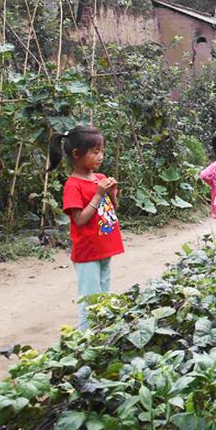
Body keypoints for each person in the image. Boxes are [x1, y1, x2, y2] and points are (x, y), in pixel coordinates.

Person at [50, 125, 124, 331]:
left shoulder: (100, 179)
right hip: (87, 252)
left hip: (105, 248)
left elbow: (114, 209)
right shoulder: (73, 185)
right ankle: (85, 341)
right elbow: (80, 220)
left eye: (102, 151)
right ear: (76, 154)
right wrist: (98, 194)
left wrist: (112, 192)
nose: (101, 156)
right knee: (90, 300)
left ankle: (100, 335)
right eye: (95, 152)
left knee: (104, 296)